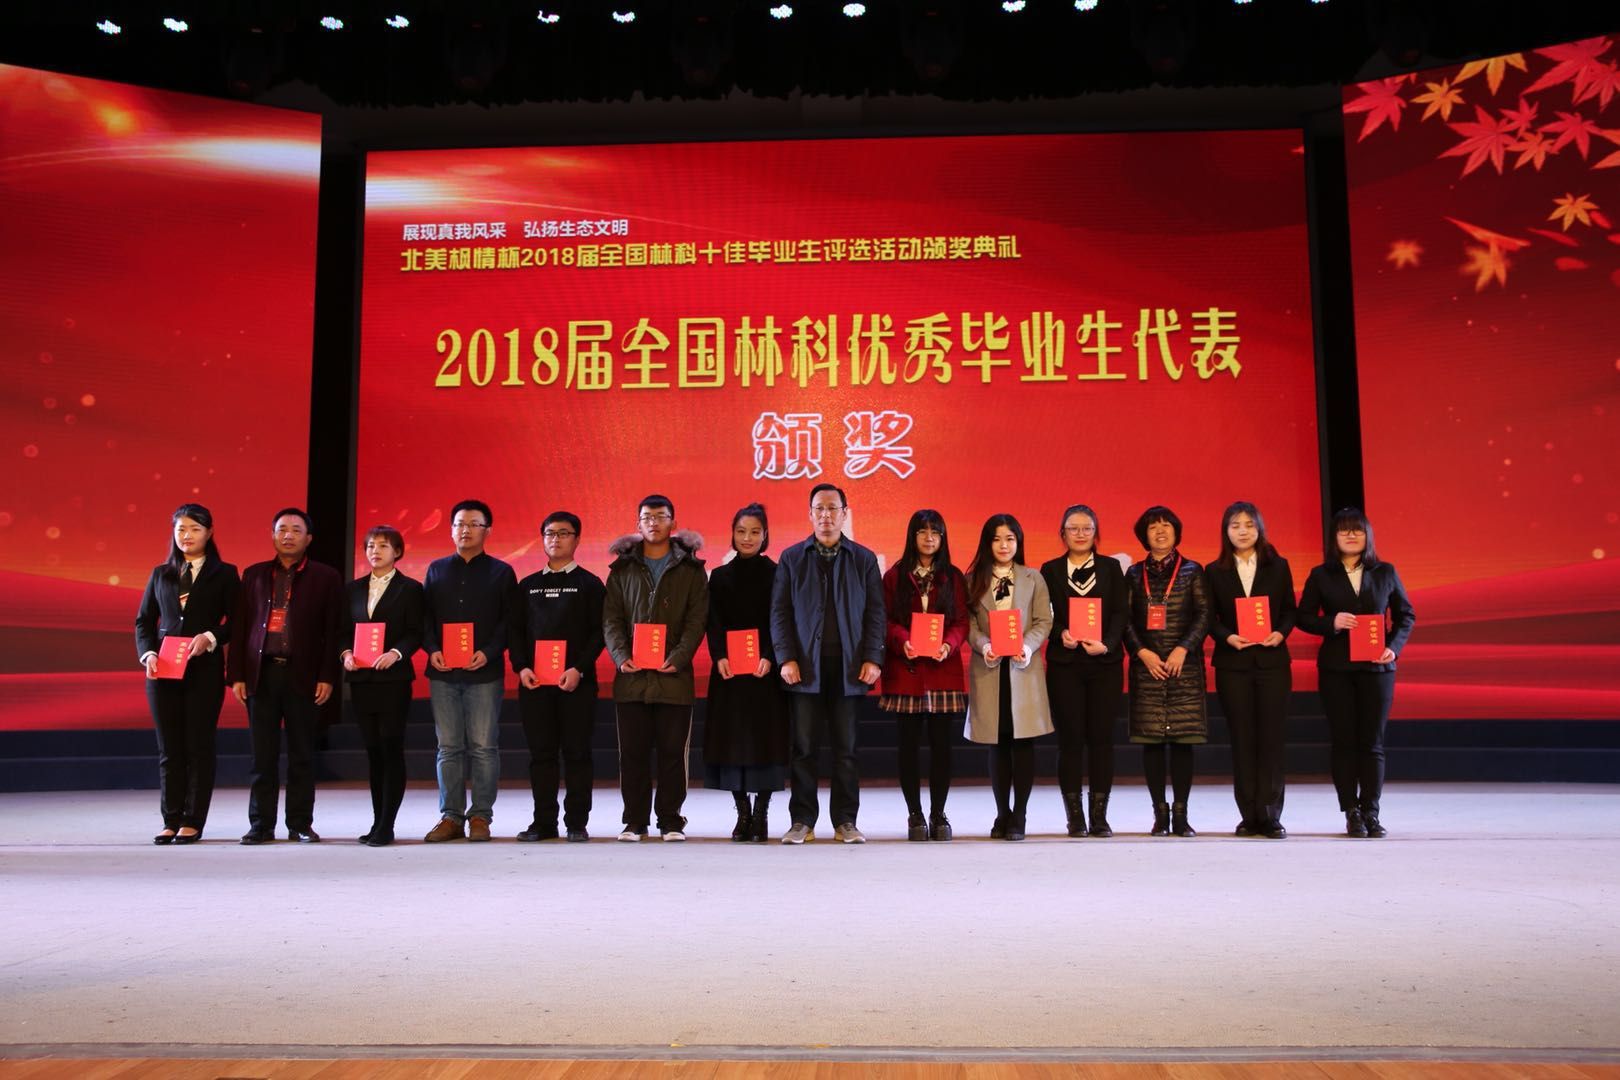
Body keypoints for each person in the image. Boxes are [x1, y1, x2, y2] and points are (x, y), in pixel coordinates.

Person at [770, 483, 886, 844]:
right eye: (819, 508)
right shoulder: (792, 558)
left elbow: (876, 613)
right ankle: (802, 820)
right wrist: (786, 657)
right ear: (810, 514)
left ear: (844, 513)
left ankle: (845, 821)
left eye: (832, 508)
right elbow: (779, 612)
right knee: (804, 748)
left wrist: (873, 657)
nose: (826, 515)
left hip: (849, 667)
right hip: (804, 667)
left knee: (846, 749)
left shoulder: (863, 559)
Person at [1297, 507, 1415, 839]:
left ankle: (1371, 812)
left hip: (1377, 668)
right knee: (1344, 742)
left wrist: (1394, 647)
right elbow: (1303, 617)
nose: (1351, 536)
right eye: (1344, 530)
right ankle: (1351, 811)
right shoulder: (1321, 575)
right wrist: (1330, 623)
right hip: (1337, 669)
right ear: (1334, 538)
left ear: (1368, 536)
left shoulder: (1385, 571)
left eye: (1358, 530)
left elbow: (1405, 615)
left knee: (1372, 743)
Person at [227, 507, 344, 845]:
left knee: (302, 754)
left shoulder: (326, 577)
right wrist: (237, 674)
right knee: (261, 757)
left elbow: (333, 631)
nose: (288, 535)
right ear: (273, 535)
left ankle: (300, 823)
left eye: (296, 530)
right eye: (282, 529)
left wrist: (327, 676)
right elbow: (240, 627)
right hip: (261, 674)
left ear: (309, 538)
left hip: (303, 674)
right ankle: (260, 825)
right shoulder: (254, 575)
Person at [602, 494, 708, 842]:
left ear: (673, 523)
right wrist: (621, 656)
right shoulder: (622, 569)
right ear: (638, 523)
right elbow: (611, 619)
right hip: (631, 678)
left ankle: (670, 820)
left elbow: (697, 621)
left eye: (660, 516)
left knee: (673, 754)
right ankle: (634, 820)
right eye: (647, 517)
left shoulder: (691, 570)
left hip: (673, 677)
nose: (653, 523)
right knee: (632, 754)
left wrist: (678, 657)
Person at [135, 503, 240, 844]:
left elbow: (238, 621)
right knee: (169, 748)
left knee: (198, 746)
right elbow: (144, 621)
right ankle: (171, 819)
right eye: (181, 529)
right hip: (163, 670)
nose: (187, 536)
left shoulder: (224, 573)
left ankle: (193, 820)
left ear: (209, 532)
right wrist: (148, 653)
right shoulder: (161, 574)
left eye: (194, 529)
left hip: (203, 669)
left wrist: (210, 637)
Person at [421, 499, 517, 843]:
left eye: (474, 524)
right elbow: (424, 618)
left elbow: (510, 622)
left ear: (487, 531)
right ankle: (451, 816)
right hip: (443, 673)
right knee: (448, 747)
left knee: (483, 747)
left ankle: (480, 816)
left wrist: (488, 652)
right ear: (451, 530)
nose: (466, 530)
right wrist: (432, 649)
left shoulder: (501, 572)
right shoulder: (436, 570)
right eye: (460, 524)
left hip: (483, 673)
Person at [511, 511, 606, 843]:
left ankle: (577, 822)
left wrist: (578, 668)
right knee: (542, 755)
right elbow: (515, 632)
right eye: (550, 533)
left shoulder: (590, 584)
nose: (556, 539)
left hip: (576, 682)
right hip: (535, 684)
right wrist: (522, 667)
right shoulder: (527, 586)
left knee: (577, 754)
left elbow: (599, 633)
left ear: (577, 540)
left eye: (564, 533)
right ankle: (544, 822)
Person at [1206, 501, 1297, 840]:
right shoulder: (1214, 570)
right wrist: (1227, 636)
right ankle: (1248, 815)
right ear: (1225, 532)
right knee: (1242, 739)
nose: (1242, 531)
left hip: (1272, 662)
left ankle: (1271, 815)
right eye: (1235, 525)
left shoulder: (1279, 566)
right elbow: (1209, 618)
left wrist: (1281, 633)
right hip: (1233, 664)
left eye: (1249, 524)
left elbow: (1290, 610)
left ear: (1259, 528)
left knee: (1271, 739)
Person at [1039, 504, 1128, 838]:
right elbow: (1044, 614)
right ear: (1063, 533)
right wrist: (1059, 632)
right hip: (1066, 666)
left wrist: (1107, 643)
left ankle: (1100, 816)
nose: (1080, 534)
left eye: (1086, 528)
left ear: (1096, 533)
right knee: (1070, 740)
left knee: (1102, 740)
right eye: (1073, 528)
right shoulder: (1050, 570)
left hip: (1104, 663)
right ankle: (1075, 817)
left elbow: (1120, 612)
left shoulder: (1111, 568)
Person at [879, 509, 969, 842]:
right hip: (907, 672)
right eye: (922, 532)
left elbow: (962, 621)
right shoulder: (895, 576)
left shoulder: (954, 576)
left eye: (935, 532)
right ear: (912, 536)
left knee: (942, 748)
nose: (929, 538)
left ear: (943, 538)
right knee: (908, 748)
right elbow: (885, 620)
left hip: (943, 671)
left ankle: (938, 813)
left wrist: (949, 644)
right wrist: (902, 641)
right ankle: (915, 813)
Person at [702, 503, 789, 843]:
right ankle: (742, 812)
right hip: (729, 673)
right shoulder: (719, 576)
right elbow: (713, 622)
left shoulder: (778, 573)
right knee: (732, 742)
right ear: (732, 534)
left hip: (765, 672)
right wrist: (719, 656)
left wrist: (770, 656)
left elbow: (781, 619)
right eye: (741, 531)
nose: (747, 538)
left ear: (765, 535)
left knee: (766, 740)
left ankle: (762, 812)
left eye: (754, 532)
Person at [964, 514, 1054, 841]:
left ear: (1019, 542)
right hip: (989, 667)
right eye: (997, 539)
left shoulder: (1034, 578)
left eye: (1010, 539)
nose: (1004, 545)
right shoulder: (972, 579)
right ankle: (1002, 812)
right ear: (987, 543)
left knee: (1023, 741)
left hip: (1023, 668)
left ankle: (1020, 814)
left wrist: (1027, 647)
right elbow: (968, 624)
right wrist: (984, 645)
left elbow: (1043, 621)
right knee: (998, 742)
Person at [1123, 505, 1210, 838]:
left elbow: (1203, 614)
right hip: (1148, 668)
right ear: (1143, 535)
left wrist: (1183, 648)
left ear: (1176, 532)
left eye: (1166, 526)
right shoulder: (1134, 574)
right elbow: (1125, 620)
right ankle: (1160, 815)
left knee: (1183, 743)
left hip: (1183, 667)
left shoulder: (1193, 570)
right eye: (1152, 527)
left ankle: (1181, 815)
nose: (1160, 531)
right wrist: (1141, 652)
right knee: (1153, 743)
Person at [340, 524, 423, 847]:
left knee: (390, 748)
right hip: (361, 680)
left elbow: (415, 632)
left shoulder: (410, 589)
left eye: (383, 546)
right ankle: (377, 821)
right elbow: (342, 632)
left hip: (393, 680)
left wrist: (396, 653)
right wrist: (346, 653)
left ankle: (387, 824)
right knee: (373, 751)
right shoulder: (352, 589)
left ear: (397, 552)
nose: (375, 551)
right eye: (371, 546)